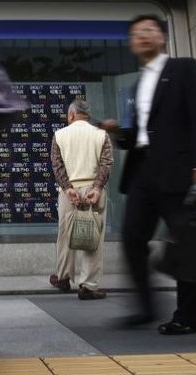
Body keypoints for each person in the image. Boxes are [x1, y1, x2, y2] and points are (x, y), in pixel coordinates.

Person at [99, 14, 196, 335]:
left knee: (187, 244)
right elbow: (140, 135)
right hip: (142, 172)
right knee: (132, 237)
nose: (143, 36)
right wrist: (116, 132)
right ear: (132, 44)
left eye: (149, 30)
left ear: (162, 37)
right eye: (136, 33)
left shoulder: (184, 68)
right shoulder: (139, 83)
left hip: (178, 170)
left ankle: (189, 317)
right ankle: (145, 308)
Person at [49, 100, 113, 300]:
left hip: (69, 192)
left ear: (71, 115)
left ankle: (63, 277)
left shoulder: (59, 135)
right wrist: (97, 188)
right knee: (93, 238)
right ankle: (88, 286)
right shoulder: (101, 135)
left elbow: (57, 164)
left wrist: (68, 188)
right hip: (94, 191)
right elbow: (106, 163)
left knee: (65, 235)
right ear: (87, 115)